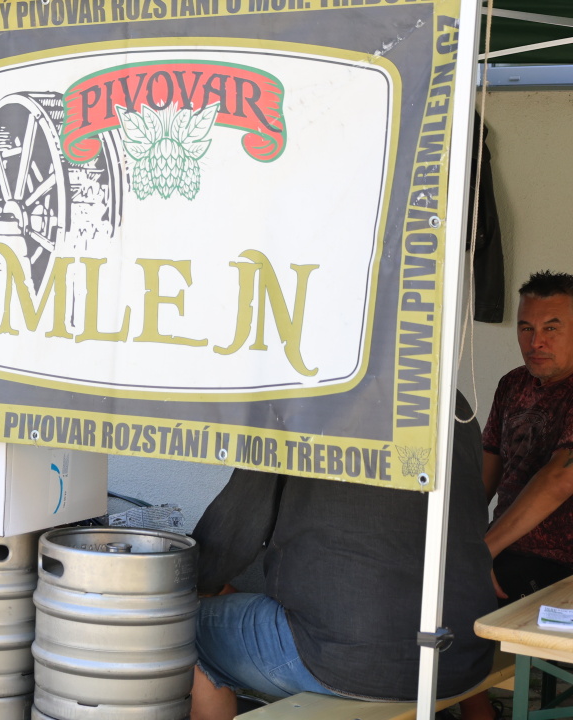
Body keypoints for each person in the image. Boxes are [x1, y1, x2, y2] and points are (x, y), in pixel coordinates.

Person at [189, 392, 496, 720]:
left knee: (176, 631)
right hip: (463, 651)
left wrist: (193, 581)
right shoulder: (450, 398)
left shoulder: (305, 398)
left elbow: (236, 527)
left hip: (349, 661)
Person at [483, 270, 573, 600]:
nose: (536, 342)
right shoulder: (513, 383)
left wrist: (481, 552)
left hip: (558, 565)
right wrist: (459, 545)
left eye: (551, 328)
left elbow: (561, 479)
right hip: (502, 551)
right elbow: (483, 477)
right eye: (526, 328)